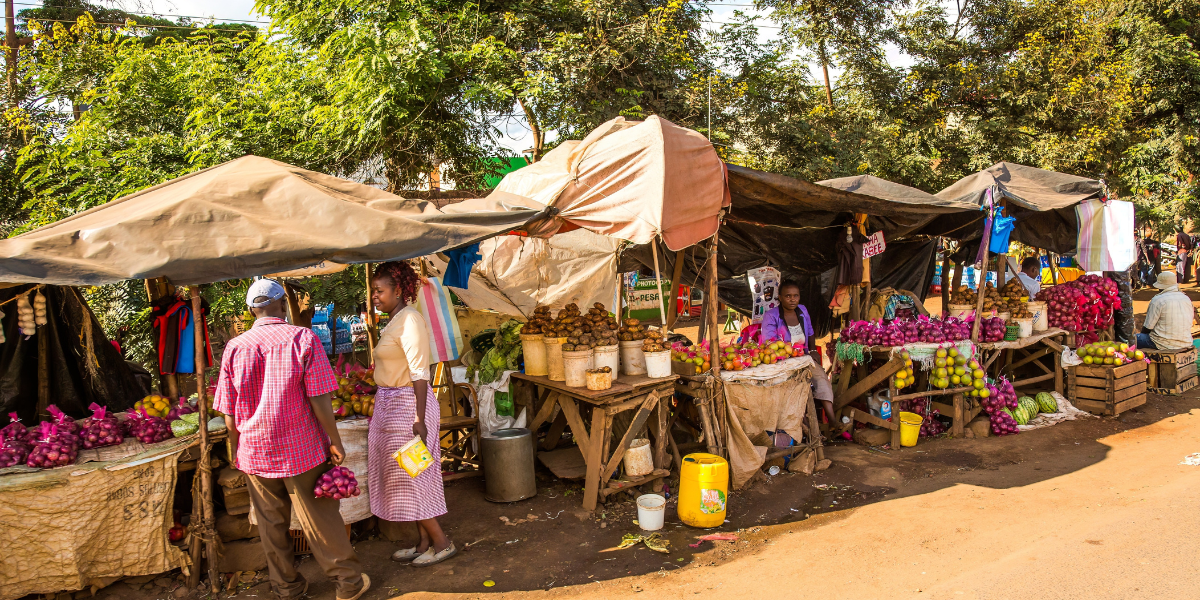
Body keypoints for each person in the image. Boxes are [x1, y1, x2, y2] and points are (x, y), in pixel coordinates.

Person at [215, 279, 370, 600]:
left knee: (271, 524)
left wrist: (235, 448)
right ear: (283, 305)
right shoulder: (302, 338)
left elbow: (229, 413)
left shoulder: (234, 347)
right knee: (321, 519)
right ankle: (348, 584)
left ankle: (287, 587)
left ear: (251, 310)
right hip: (301, 449)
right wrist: (334, 440)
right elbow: (319, 397)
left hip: (255, 451)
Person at [367, 261, 457, 566]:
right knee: (408, 475)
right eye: (374, 290)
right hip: (391, 406)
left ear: (398, 291)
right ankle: (423, 544)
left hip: (408, 407)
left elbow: (420, 373)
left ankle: (442, 543)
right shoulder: (395, 321)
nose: (374, 296)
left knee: (414, 474)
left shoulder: (410, 320)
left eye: (379, 290)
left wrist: (419, 419)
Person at [759, 280, 837, 425]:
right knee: (797, 386)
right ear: (780, 297)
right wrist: (789, 353)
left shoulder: (802, 310)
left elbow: (810, 332)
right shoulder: (771, 315)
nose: (792, 299)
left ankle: (832, 420)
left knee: (821, 378)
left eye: (796, 296)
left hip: (804, 357)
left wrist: (812, 350)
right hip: (783, 361)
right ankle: (804, 425)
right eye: (788, 296)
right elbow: (769, 342)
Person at [1137, 271, 1195, 350]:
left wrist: (1142, 336)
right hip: (1186, 342)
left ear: (1160, 286)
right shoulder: (1186, 298)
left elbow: (1148, 327)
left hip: (1162, 343)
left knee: (1132, 339)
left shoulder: (1158, 300)